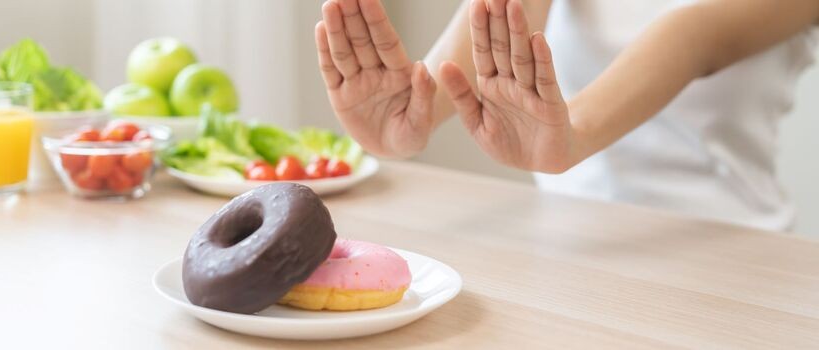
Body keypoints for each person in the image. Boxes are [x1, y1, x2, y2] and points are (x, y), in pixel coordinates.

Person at [313, 0, 819, 231]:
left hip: (734, 250)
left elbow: (693, 37)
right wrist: (416, 112)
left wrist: (574, 134)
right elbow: (500, 12)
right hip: (564, 243)